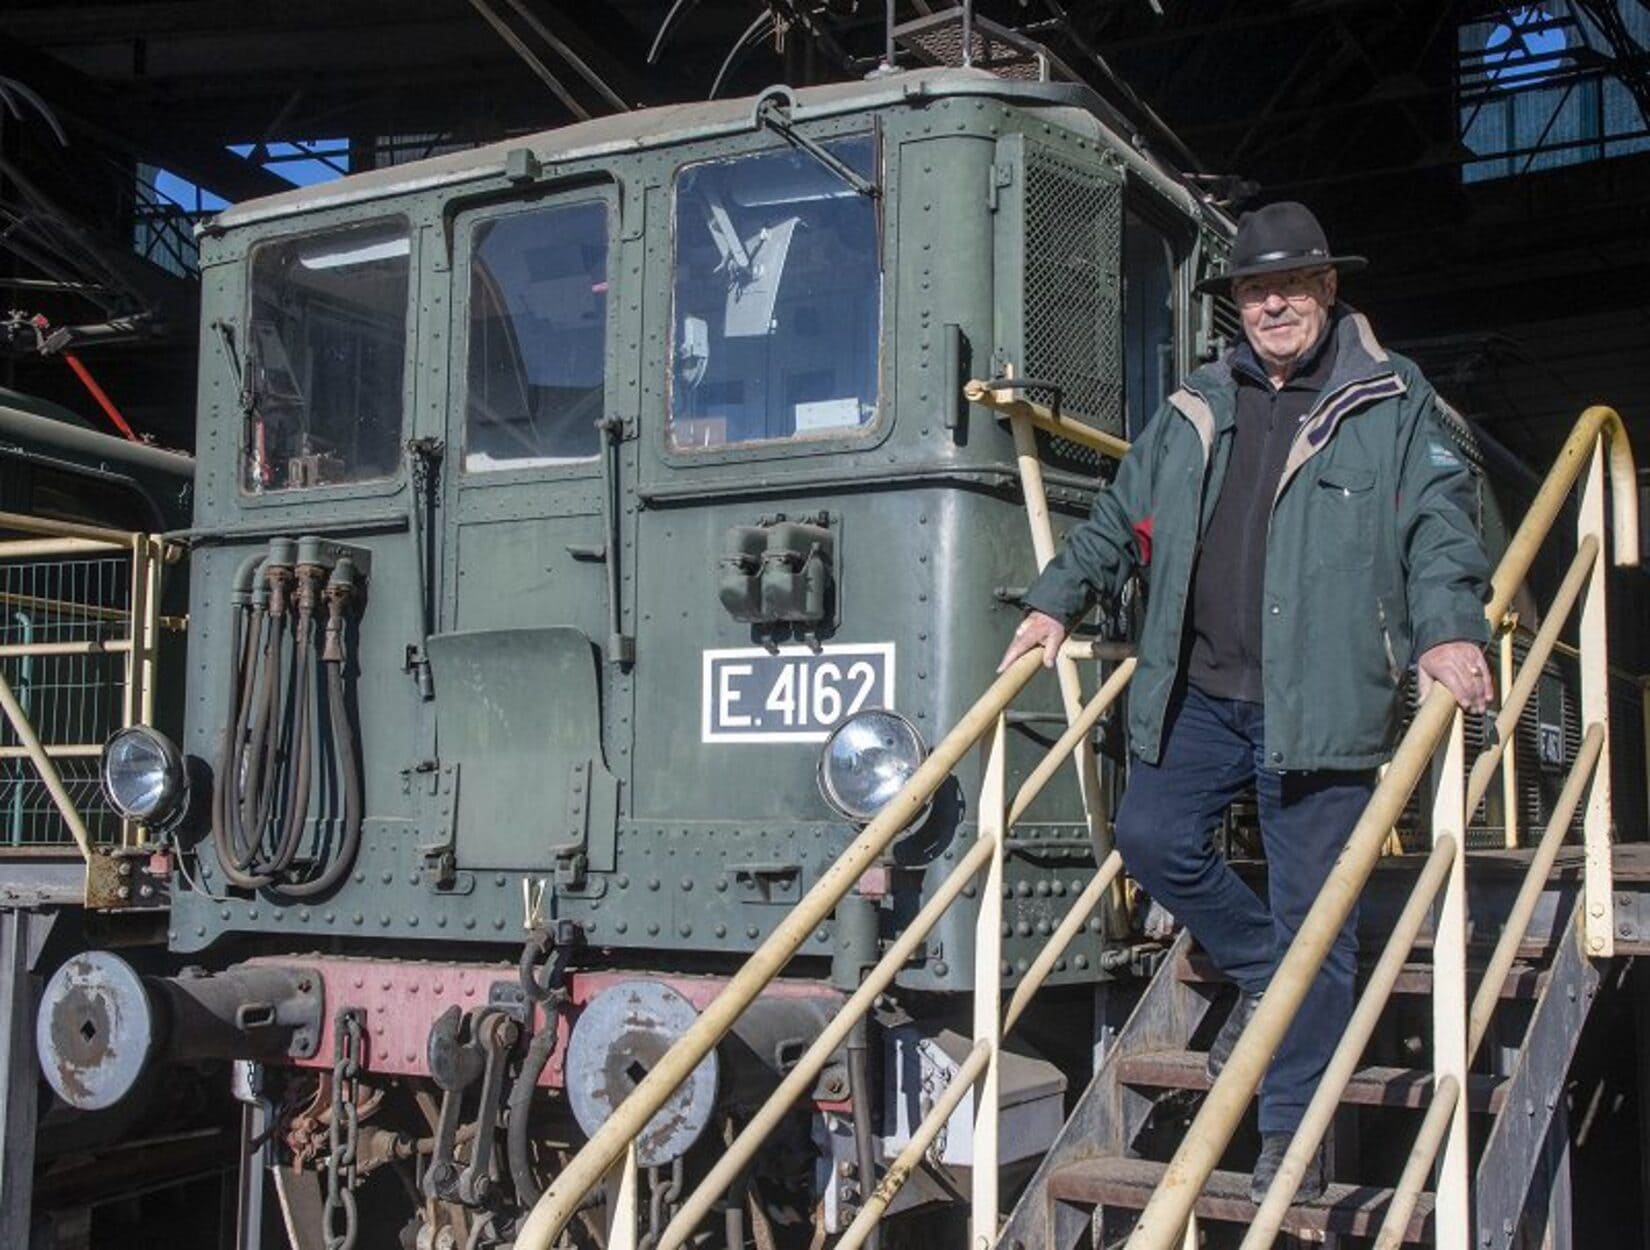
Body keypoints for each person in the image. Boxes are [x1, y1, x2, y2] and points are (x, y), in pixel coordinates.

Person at [997, 201, 1493, 1203]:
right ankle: (1268, 962)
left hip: (1322, 706)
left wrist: (1448, 626)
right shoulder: (1194, 407)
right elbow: (1119, 522)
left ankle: (1289, 1137)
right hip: (1207, 690)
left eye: (1290, 286)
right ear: (1238, 307)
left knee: (1322, 915)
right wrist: (1054, 603)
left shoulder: (1392, 398)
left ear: (1326, 291)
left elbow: (1442, 526)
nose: (1272, 304)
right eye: (1254, 291)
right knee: (1151, 832)